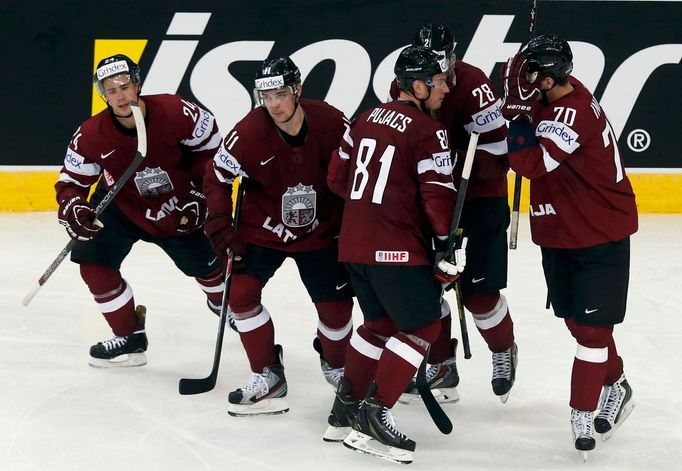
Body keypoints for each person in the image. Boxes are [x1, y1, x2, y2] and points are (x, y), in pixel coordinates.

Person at [323, 45, 466, 464]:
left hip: (353, 244)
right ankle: (375, 414)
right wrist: (446, 242)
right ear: (417, 86)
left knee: (380, 324)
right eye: (438, 82)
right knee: (423, 325)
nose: (445, 88)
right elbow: (437, 196)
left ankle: (344, 409)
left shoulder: (364, 117)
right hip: (396, 248)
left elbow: (336, 179)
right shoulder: (427, 129)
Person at [501, 34, 637, 459]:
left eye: (531, 73)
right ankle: (617, 383)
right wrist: (516, 107)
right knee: (579, 325)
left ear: (549, 75)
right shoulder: (554, 98)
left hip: (600, 231)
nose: (525, 79)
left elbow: (531, 163)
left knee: (593, 333)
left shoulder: (573, 112)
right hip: (561, 231)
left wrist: (519, 120)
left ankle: (582, 413)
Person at [202, 56, 354, 417]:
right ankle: (268, 374)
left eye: (280, 95)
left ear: (297, 90)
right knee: (239, 293)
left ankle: (337, 365)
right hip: (263, 230)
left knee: (336, 310)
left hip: (322, 230)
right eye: (265, 96)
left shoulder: (331, 121)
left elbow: (358, 164)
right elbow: (217, 178)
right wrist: (221, 222)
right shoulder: (248, 134)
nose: (273, 105)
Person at [55, 54, 225, 367]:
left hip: (179, 205)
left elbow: (214, 154)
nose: (120, 95)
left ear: (137, 84)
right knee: (93, 262)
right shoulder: (91, 135)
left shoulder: (176, 111)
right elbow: (71, 183)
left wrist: (201, 195)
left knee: (209, 271)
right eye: (111, 89)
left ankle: (224, 305)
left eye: (125, 85)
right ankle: (129, 337)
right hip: (122, 203)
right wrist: (73, 207)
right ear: (103, 95)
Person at [390, 23, 518, 404]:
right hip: (432, 198)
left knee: (479, 294)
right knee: (429, 287)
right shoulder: (408, 79)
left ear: (455, 55)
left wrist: (449, 161)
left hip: (480, 197)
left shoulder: (476, 87)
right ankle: (442, 364)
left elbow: (501, 155)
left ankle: (502, 349)